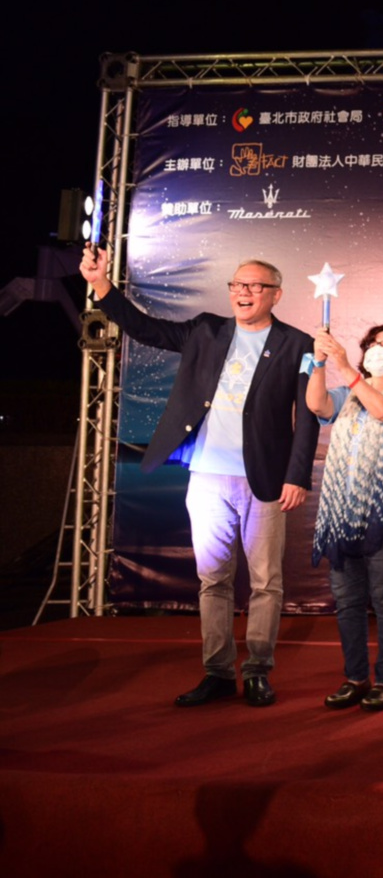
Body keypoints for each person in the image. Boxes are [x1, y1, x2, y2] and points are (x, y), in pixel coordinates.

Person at [80, 248, 316, 708]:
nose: (243, 292)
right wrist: (101, 285)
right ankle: (218, 671)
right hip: (207, 477)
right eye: (237, 285)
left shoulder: (297, 343)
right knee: (213, 580)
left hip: (264, 480)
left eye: (254, 286)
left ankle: (258, 671)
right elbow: (145, 328)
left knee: (266, 582)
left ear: (275, 294)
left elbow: (306, 416)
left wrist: (297, 475)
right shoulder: (206, 330)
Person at [305, 323, 383, 713]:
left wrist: (346, 369)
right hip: (343, 514)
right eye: (374, 343)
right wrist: (319, 363)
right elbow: (318, 405)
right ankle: (355, 677)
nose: (380, 348)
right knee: (348, 601)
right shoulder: (348, 395)